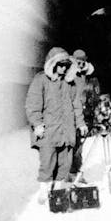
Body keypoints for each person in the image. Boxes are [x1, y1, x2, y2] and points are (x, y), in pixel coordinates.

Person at [25, 47, 88, 203]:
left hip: (67, 130)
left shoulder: (70, 83)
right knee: (47, 162)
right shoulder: (41, 80)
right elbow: (33, 105)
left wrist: (80, 123)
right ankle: (44, 192)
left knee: (65, 163)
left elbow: (76, 105)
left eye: (66, 65)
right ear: (52, 64)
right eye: (60, 64)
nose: (63, 68)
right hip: (48, 131)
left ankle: (59, 192)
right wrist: (37, 124)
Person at [68, 49, 97, 181]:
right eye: (77, 62)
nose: (80, 65)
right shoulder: (69, 76)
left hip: (82, 113)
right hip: (70, 114)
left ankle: (76, 173)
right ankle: (70, 173)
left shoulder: (87, 77)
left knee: (79, 145)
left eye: (82, 62)